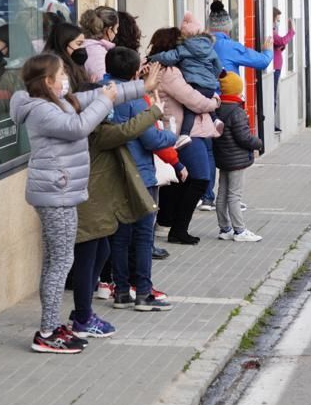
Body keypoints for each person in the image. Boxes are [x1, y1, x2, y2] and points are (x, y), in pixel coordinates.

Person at [9, 52, 146, 354]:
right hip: (56, 194)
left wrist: (142, 87)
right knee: (61, 263)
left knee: (55, 262)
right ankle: (47, 331)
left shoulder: (57, 103)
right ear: (47, 81)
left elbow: (98, 94)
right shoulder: (42, 110)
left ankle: (51, 325)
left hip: (62, 191)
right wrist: (106, 101)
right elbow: (79, 127)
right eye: (61, 75)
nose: (66, 80)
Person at [71, 63, 165, 338]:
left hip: (97, 205)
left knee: (101, 253)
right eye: (105, 102)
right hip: (91, 206)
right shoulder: (97, 133)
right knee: (88, 260)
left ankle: (84, 312)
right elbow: (127, 130)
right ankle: (82, 315)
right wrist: (154, 111)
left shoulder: (94, 129)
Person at [104, 47, 177, 312]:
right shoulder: (136, 99)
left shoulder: (101, 91)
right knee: (144, 236)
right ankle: (144, 293)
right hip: (141, 174)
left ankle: (121, 291)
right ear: (136, 71)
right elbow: (151, 138)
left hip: (113, 173)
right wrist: (172, 138)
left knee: (121, 235)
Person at [147, 27, 221, 246]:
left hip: (175, 129)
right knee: (200, 178)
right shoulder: (168, 72)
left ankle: (168, 223)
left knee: (180, 179)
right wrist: (214, 102)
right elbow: (192, 99)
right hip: (179, 131)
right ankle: (177, 228)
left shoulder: (159, 67)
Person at [201, 1, 272, 210]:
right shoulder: (230, 46)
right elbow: (261, 62)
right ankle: (231, 198)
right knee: (231, 150)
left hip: (203, 101)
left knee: (209, 149)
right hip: (227, 103)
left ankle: (207, 196)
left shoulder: (202, 44)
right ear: (227, 27)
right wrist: (268, 51)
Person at [147, 11, 225, 135]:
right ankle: (214, 120)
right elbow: (218, 67)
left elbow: (193, 100)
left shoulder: (179, 55)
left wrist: (152, 58)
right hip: (208, 90)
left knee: (191, 109)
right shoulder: (209, 49)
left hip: (183, 127)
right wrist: (212, 82)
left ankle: (185, 133)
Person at [212, 72, 264, 242]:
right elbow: (244, 137)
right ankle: (240, 231)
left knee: (222, 194)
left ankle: (224, 228)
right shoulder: (237, 111)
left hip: (222, 157)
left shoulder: (217, 108)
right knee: (234, 196)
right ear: (236, 90)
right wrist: (258, 143)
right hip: (236, 159)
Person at [43, 22, 91, 93]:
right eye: (79, 44)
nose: (82, 48)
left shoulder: (73, 62)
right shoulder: (55, 67)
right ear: (64, 43)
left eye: (83, 44)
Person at [79, 6, 121, 83]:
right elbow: (104, 83)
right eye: (116, 29)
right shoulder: (97, 53)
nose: (117, 32)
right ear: (108, 30)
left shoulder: (88, 45)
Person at [272, 7, 295, 132]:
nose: (278, 22)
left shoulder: (273, 31)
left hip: (277, 66)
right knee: (273, 97)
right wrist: (292, 31)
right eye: (277, 19)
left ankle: (272, 122)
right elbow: (281, 40)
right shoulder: (270, 31)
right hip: (274, 67)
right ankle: (271, 123)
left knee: (274, 96)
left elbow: (279, 44)